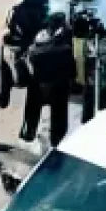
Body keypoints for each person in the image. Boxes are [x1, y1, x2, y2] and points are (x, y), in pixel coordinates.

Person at [21, 11, 76, 148]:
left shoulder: (40, 37)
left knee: (32, 110)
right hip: (58, 83)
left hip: (38, 82)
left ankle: (28, 133)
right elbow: (71, 66)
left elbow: (30, 55)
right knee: (59, 115)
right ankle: (56, 142)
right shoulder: (64, 40)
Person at [3, 0, 49, 88]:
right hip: (34, 39)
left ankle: (21, 77)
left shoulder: (16, 9)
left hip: (25, 40)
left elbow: (9, 24)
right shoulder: (41, 7)